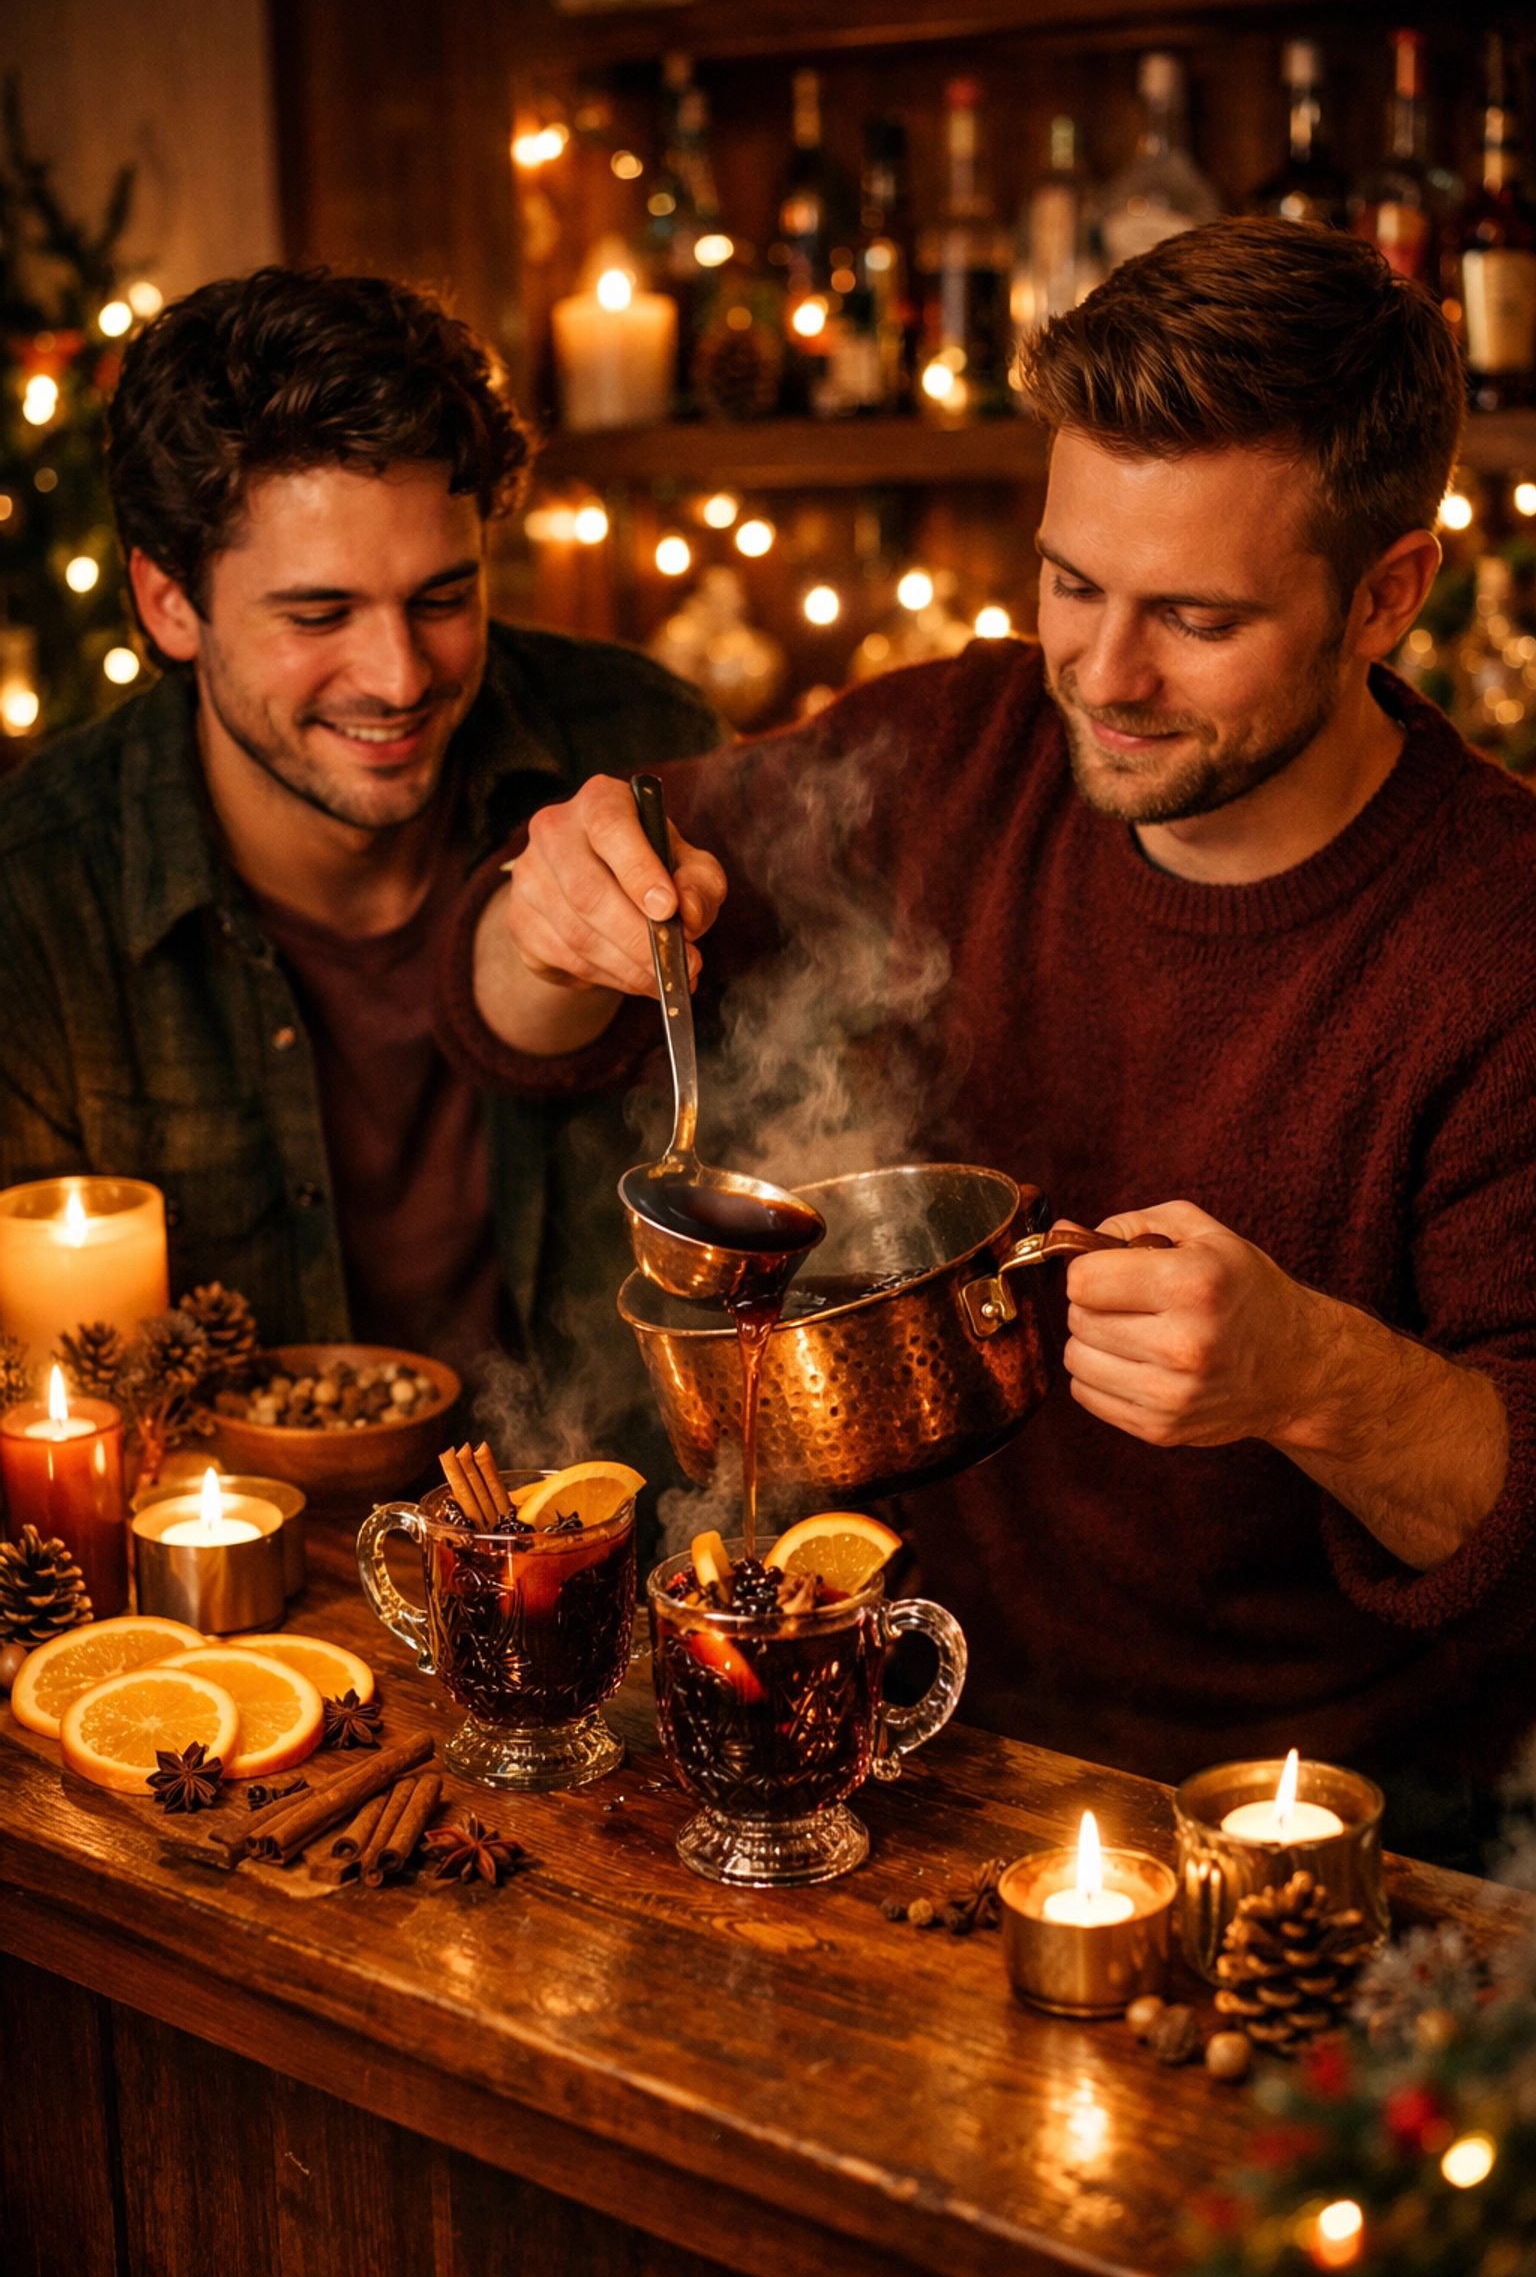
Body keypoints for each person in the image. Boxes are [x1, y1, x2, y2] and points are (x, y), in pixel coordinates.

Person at [441, 220, 1536, 1870]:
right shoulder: (945, 748)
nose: (1102, 674)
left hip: (1289, 1829)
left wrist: (1310, 1372)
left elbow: (1516, 1530)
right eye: (1070, 580)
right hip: (875, 1759)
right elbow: (512, 1024)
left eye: (1196, 617)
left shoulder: (1497, 936)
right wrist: (555, 916)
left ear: (1386, 594)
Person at [0, 268, 725, 1393]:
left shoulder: (641, 743)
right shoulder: (34, 901)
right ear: (167, 604)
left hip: (623, 1535)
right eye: (319, 613)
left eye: (442, 599)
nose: (397, 677)